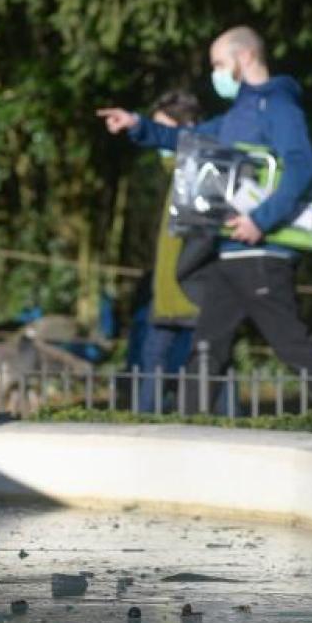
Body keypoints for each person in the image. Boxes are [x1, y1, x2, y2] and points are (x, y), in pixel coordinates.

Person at [97, 26, 312, 416]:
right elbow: (188, 140)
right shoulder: (236, 115)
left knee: (291, 344)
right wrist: (136, 125)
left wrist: (261, 220)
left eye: (218, 63)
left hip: (262, 253)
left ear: (245, 57)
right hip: (229, 253)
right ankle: (189, 431)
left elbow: (303, 166)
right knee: (207, 349)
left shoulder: (279, 107)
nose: (215, 73)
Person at [132, 90, 215, 412]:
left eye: (165, 132)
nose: (160, 144)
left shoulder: (205, 174)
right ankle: (143, 423)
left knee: (211, 363)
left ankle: (218, 424)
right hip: (166, 291)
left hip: (193, 288)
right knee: (152, 357)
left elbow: (207, 235)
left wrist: (185, 269)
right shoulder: (175, 177)